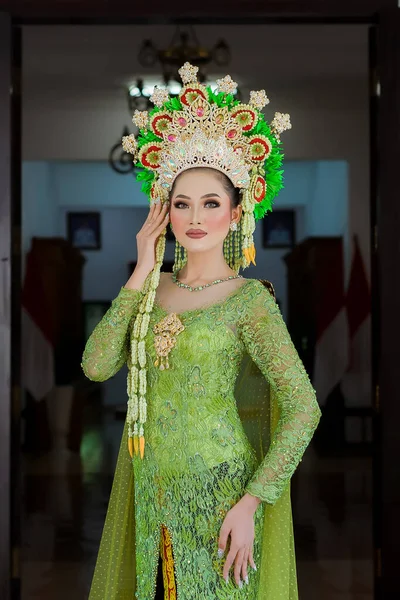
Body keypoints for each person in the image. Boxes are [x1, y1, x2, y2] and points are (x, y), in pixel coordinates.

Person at [81, 63, 322, 600]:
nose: (195, 218)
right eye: (181, 203)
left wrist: (252, 500)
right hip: (151, 488)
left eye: (211, 204)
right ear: (164, 212)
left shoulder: (249, 301)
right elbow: (96, 365)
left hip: (221, 489)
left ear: (236, 214)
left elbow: (304, 406)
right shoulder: (148, 289)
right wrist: (141, 270)